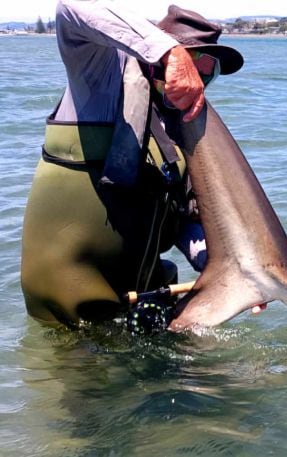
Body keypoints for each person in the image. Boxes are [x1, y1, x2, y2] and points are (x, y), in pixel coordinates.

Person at [21, 1, 243, 331]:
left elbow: (185, 222)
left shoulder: (180, 137)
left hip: (141, 303)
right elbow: (70, 8)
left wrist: (225, 268)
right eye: (191, 62)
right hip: (69, 317)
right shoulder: (97, 81)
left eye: (208, 70)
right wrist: (167, 50)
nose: (198, 77)